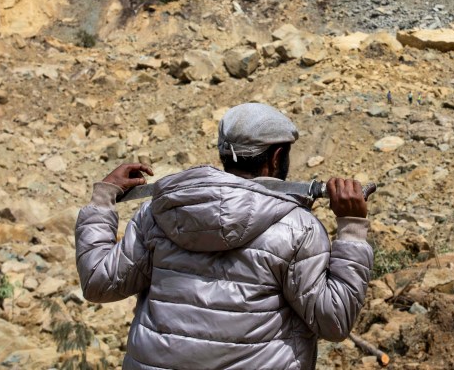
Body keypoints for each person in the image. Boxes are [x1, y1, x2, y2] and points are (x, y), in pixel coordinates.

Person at [75, 103, 373, 370]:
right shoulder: (299, 229)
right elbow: (334, 321)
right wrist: (351, 227)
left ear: (225, 154)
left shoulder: (157, 213)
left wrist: (103, 199)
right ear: (277, 157)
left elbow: (99, 283)